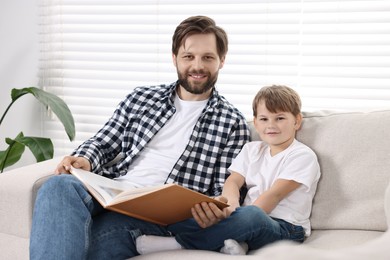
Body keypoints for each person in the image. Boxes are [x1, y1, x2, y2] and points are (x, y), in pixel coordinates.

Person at [29, 16, 250, 259]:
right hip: (114, 192)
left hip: (159, 219)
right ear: (174, 58)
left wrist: (214, 210)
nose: (197, 66)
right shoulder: (141, 98)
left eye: (208, 57)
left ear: (222, 61)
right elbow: (103, 142)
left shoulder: (232, 123)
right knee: (57, 186)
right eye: (189, 56)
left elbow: (223, 188)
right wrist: (85, 159)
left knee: (81, 243)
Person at [136, 85, 321, 255]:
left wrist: (237, 217)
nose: (271, 125)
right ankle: (237, 241)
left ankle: (180, 243)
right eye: (264, 119)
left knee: (251, 215)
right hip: (249, 219)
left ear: (297, 121)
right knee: (191, 213)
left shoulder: (302, 156)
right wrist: (231, 206)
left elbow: (274, 195)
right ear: (255, 123)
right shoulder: (252, 149)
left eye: (280, 118)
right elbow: (233, 181)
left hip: (286, 228)